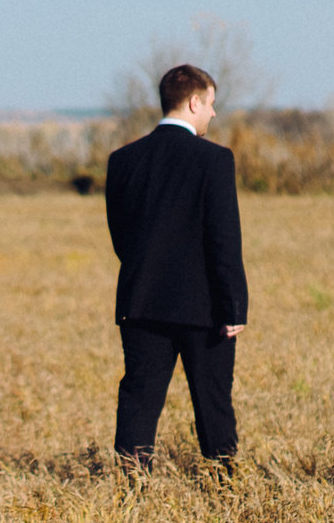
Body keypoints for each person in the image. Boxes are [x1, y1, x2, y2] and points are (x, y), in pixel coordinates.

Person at [104, 63, 248, 468]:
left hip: (141, 301)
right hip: (205, 310)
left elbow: (122, 238)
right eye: (212, 105)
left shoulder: (122, 160)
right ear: (194, 102)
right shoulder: (215, 160)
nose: (214, 114)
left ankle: (130, 484)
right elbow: (223, 239)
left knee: (139, 398)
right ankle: (223, 486)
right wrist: (234, 306)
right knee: (213, 402)